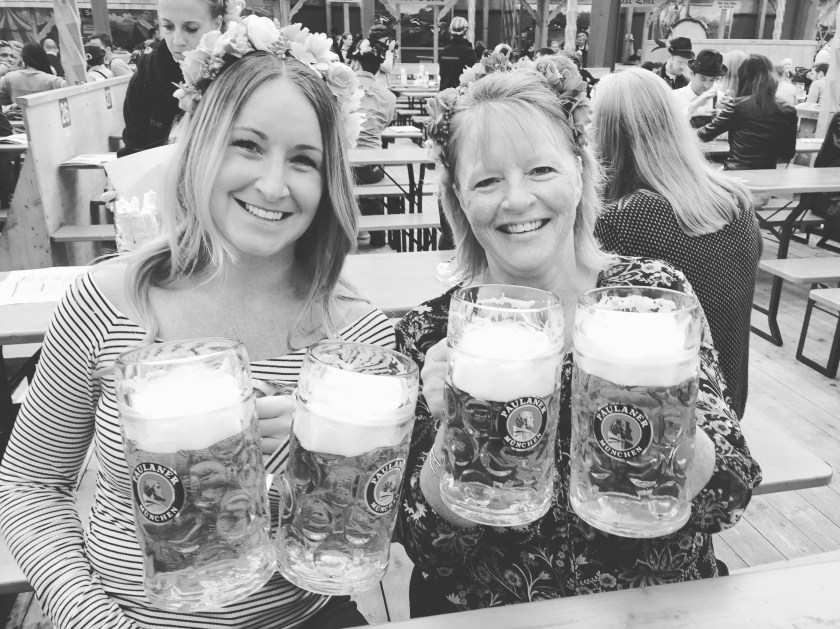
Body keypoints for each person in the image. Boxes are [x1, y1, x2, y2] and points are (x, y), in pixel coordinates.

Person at [0, 16, 388, 629]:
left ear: (330, 179)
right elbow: (31, 485)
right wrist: (90, 617)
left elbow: (360, 524)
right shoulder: (108, 300)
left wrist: (313, 464)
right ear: (202, 142)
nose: (273, 185)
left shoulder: (357, 332)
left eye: (304, 160)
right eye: (248, 145)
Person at [395, 63, 760, 616]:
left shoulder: (653, 297)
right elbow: (431, 550)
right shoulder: (431, 332)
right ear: (458, 200)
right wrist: (454, 423)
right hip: (497, 615)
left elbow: (727, 492)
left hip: (651, 607)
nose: (517, 200)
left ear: (582, 172)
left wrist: (667, 396)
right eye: (487, 181)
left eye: (541, 170)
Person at [592, 67, 761, 419]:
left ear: (606, 134)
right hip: (730, 397)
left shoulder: (620, 219)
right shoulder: (737, 199)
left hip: (664, 412)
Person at [119, 0, 226, 157]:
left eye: (191, 29)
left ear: (217, 24)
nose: (177, 40)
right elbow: (133, 150)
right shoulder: (146, 77)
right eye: (168, 26)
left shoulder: (240, 72)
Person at [697, 54, 796, 170]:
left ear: (743, 78)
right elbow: (787, 153)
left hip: (736, 172)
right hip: (768, 173)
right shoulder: (788, 109)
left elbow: (704, 135)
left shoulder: (738, 105)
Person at [353, 50, 397, 248]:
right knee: (374, 180)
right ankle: (378, 238)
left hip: (345, 167)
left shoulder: (343, 90)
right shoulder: (389, 96)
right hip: (372, 170)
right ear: (378, 69)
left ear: (358, 65)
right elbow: (385, 124)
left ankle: (349, 232)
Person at [671, 49, 726, 128]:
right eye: (702, 79)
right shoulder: (674, 97)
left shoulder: (720, 98)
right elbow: (670, 128)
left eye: (712, 80)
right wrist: (694, 105)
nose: (707, 86)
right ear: (691, 73)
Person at [0, 42, 65, 105]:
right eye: (4, 55)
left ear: (23, 59)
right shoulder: (55, 80)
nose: (11, 60)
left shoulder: (8, 78)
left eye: (13, 56)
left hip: (18, 112)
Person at [438, 17, 476, 91]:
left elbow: (442, 75)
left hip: (444, 93)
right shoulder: (469, 52)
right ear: (466, 31)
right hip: (462, 93)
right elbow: (471, 78)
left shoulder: (444, 52)